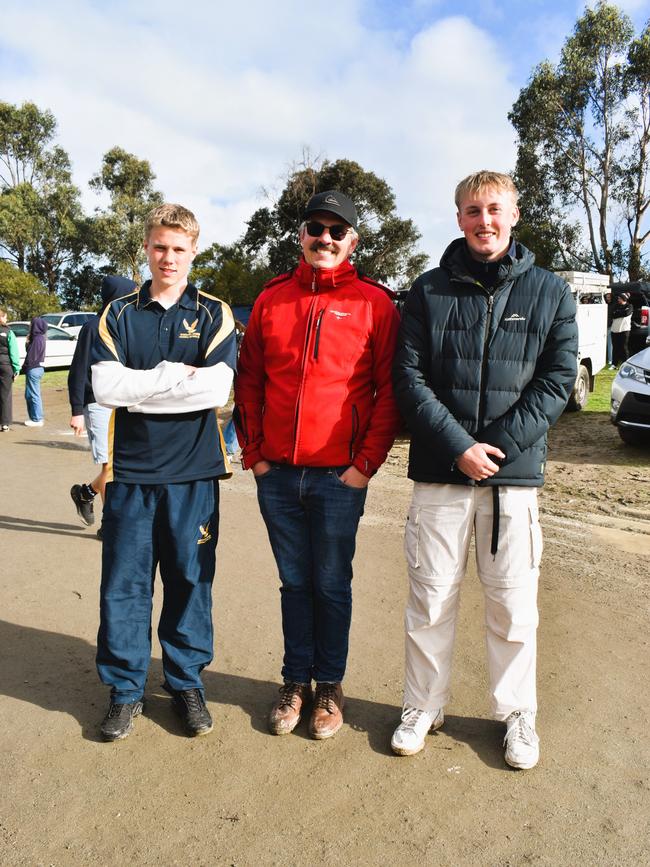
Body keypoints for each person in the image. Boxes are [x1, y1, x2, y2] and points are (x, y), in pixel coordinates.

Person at [391, 171, 578, 769]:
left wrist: (491, 450)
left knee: (513, 605)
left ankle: (517, 714)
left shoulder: (550, 291)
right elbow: (409, 379)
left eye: (494, 209)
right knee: (430, 599)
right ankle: (423, 704)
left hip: (511, 483)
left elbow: (556, 382)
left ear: (515, 214)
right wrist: (458, 447)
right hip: (441, 475)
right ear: (458, 219)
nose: (484, 221)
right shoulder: (425, 291)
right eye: (472, 211)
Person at [234, 190, 401, 740]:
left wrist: (364, 465)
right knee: (293, 582)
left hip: (338, 478)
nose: (324, 238)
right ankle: (293, 683)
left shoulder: (374, 304)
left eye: (336, 230)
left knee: (331, 583)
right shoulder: (271, 300)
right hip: (276, 475)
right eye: (315, 228)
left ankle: (328, 686)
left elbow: (386, 393)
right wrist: (254, 455)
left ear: (352, 240)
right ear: (301, 236)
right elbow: (250, 380)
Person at [91, 203, 237, 741]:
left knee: (189, 580)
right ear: (146, 250)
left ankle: (184, 682)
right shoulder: (119, 314)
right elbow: (107, 388)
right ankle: (125, 690)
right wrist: (177, 376)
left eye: (179, 248)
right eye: (159, 247)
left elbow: (216, 390)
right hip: (131, 473)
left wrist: (144, 384)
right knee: (124, 586)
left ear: (193, 251)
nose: (168, 258)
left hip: (195, 473)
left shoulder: (215, 312)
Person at [67, 276, 137, 539]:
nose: (134, 298)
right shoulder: (93, 327)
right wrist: (77, 410)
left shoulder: (127, 324)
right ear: (117, 295)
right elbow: (77, 371)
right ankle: (112, 525)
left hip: (125, 403)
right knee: (110, 467)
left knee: (118, 466)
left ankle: (85, 494)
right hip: (97, 404)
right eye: (130, 293)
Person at [21, 316, 47, 427]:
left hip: (34, 369)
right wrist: (27, 343)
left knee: (34, 394)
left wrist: (24, 366)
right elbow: (30, 352)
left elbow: (32, 356)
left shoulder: (38, 339)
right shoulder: (37, 338)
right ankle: (34, 417)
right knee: (29, 394)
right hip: (34, 368)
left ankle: (37, 419)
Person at [0, 308, 21, 431]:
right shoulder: (9, 332)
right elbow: (14, 352)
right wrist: (16, 368)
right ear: (2, 318)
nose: (7, 319)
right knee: (5, 395)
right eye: (6, 317)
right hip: (5, 365)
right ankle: (5, 423)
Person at [611, 291, 632, 367]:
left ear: (624, 299)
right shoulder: (615, 306)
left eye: (620, 298)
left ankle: (625, 364)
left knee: (624, 347)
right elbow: (612, 314)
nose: (618, 299)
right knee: (615, 348)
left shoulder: (630, 306)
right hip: (614, 330)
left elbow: (626, 313)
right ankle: (614, 364)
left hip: (624, 330)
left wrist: (618, 313)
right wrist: (620, 312)